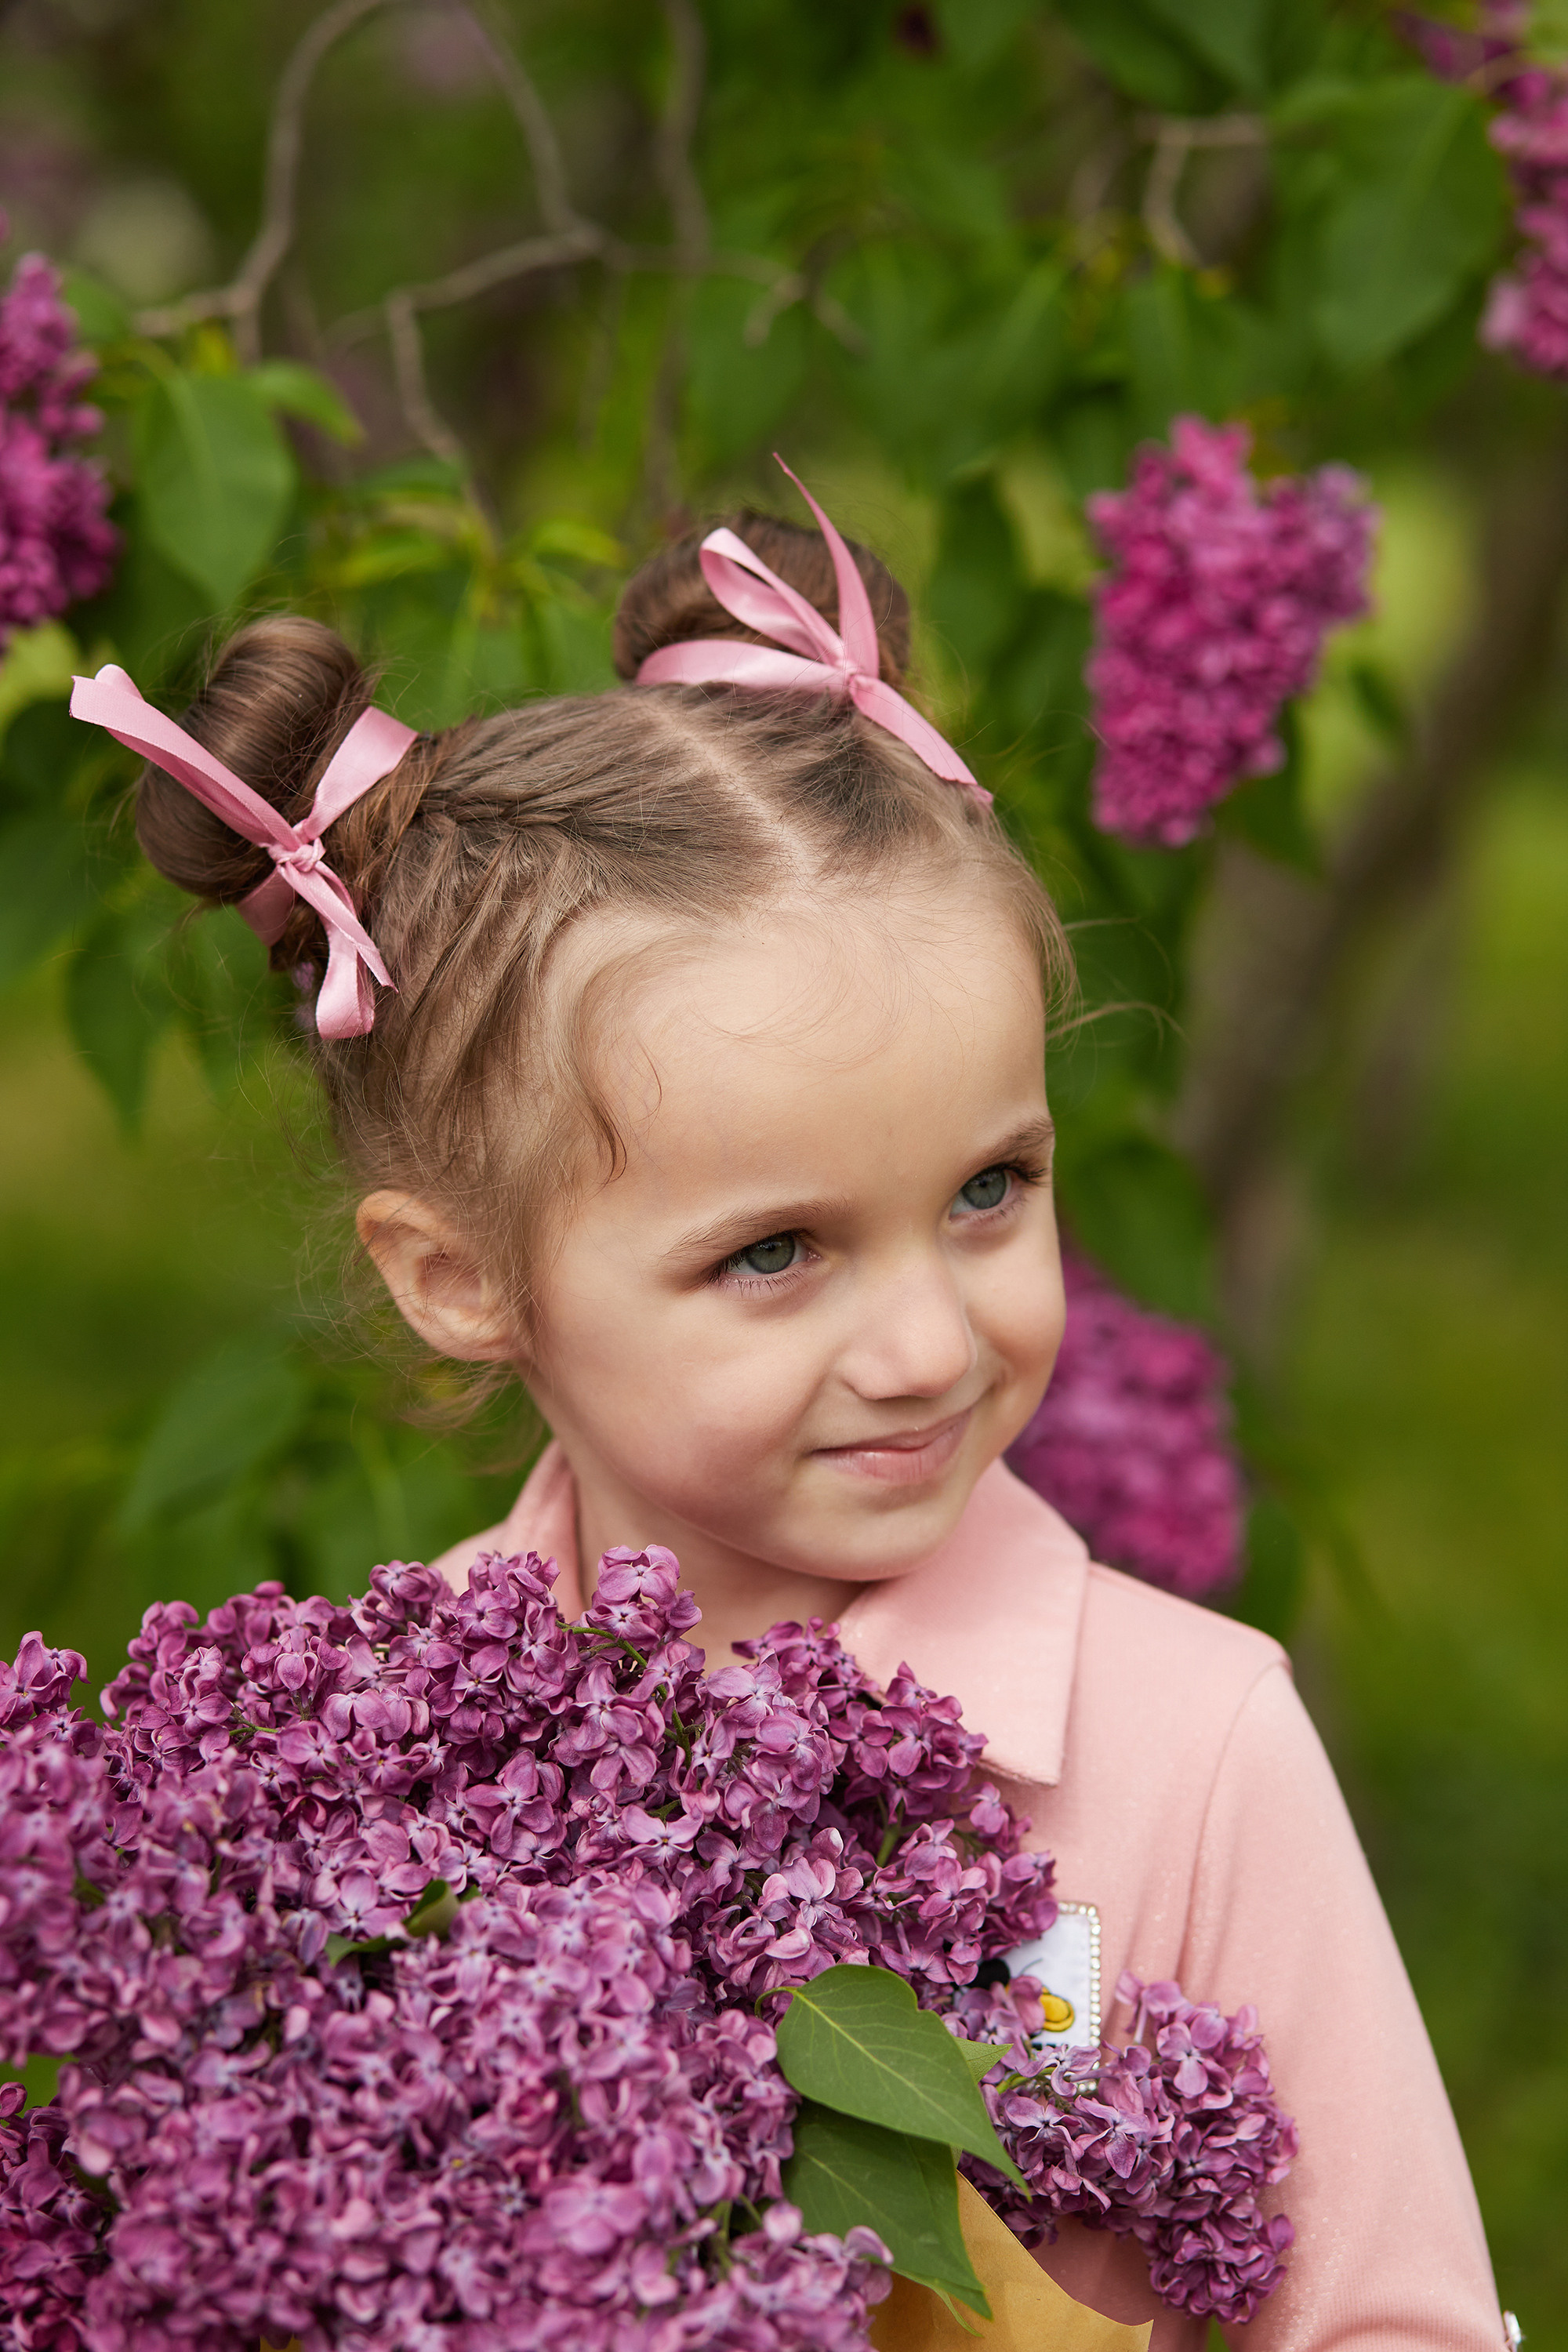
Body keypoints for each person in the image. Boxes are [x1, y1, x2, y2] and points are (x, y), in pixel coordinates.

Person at [74, 466, 1505, 2351]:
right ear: (460, 1278)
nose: (924, 1344)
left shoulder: (1189, 1749)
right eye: (776, 1254)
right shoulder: (366, 1783)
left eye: (990, 1190)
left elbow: (1394, 2316)